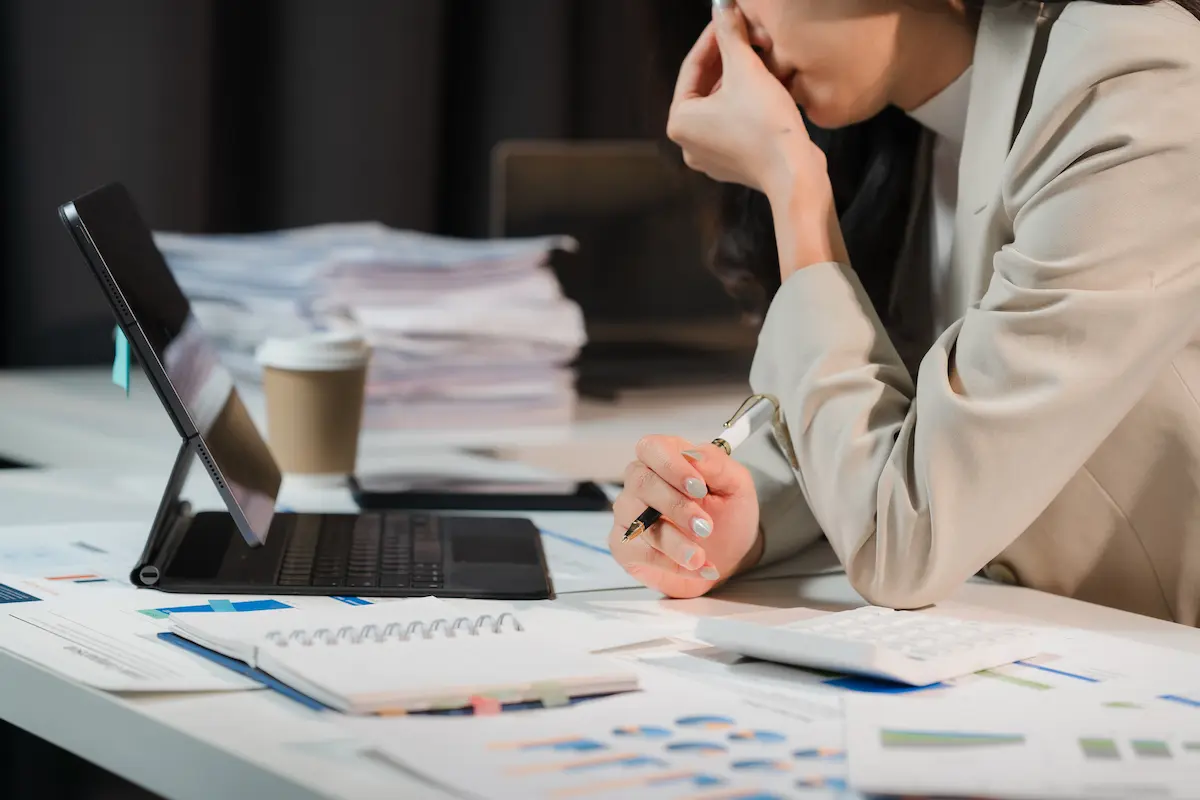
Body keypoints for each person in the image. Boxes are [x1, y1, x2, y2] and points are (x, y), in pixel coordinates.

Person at [609, 0, 1200, 625]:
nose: (730, 19)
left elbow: (903, 543)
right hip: (1044, 648)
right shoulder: (906, 133)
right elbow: (911, 425)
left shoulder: (1131, 82)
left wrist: (791, 181)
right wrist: (738, 510)